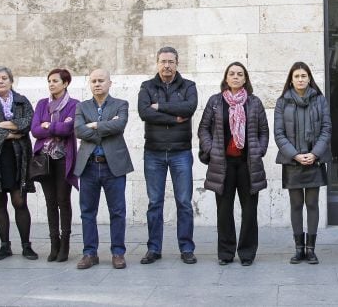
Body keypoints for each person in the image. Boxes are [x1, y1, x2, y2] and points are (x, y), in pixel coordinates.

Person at [198, 61, 269, 266]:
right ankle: (226, 253)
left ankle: (247, 253)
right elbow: (203, 129)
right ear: (226, 78)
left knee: (249, 211)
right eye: (232, 74)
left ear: (245, 79)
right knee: (224, 210)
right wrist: (211, 149)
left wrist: (260, 150)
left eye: (240, 74)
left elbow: (264, 131)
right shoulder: (215, 102)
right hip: (223, 165)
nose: (236, 77)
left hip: (248, 164)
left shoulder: (254, 103)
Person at [138, 46, 198, 265]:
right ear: (157, 63)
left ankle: (186, 248)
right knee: (155, 202)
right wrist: (174, 117)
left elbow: (189, 108)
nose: (166, 65)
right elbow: (144, 112)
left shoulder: (189, 86)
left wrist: (160, 107)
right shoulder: (146, 86)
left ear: (177, 63)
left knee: (184, 202)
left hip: (180, 151)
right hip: (153, 151)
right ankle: (153, 249)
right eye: (163, 61)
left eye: (171, 61)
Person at [74, 69, 134, 270]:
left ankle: (118, 252)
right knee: (87, 212)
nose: (97, 84)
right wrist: (107, 126)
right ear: (89, 84)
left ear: (110, 83)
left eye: (101, 80)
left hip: (113, 165)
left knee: (117, 211)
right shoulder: (81, 107)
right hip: (89, 165)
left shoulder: (121, 104)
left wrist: (93, 126)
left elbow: (120, 126)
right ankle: (89, 253)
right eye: (93, 81)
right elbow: (78, 130)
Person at [274, 62, 332, 264]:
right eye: (297, 76)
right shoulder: (283, 102)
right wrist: (295, 155)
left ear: (309, 78)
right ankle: (299, 248)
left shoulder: (320, 100)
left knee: (312, 204)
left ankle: (311, 249)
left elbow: (326, 129)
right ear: (291, 79)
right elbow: (279, 133)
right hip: (293, 162)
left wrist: (314, 154)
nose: (300, 79)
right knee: (296, 204)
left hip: (314, 161)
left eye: (304, 76)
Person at [0, 67, 37, 261]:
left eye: (4, 78)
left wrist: (1, 126)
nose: (0, 81)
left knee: (19, 201)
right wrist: (11, 132)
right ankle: (4, 246)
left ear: (11, 81)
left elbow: (28, 122)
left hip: (18, 158)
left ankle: (26, 245)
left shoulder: (22, 101)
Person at [31, 68, 80, 262]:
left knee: (63, 201)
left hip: (63, 159)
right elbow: (35, 130)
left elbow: (68, 129)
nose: (51, 84)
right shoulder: (42, 104)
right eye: (49, 81)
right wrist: (53, 128)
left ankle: (65, 245)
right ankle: (54, 244)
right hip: (44, 160)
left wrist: (47, 126)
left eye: (55, 81)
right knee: (50, 202)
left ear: (66, 83)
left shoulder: (74, 104)